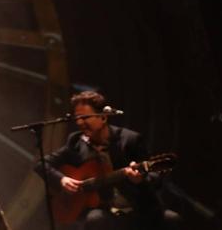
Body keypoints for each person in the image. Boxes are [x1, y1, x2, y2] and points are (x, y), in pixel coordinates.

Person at [36, 90, 179, 228]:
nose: (79, 123)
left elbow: (155, 178)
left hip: (137, 209)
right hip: (105, 211)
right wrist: (62, 180)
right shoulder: (76, 142)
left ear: (103, 117)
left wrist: (140, 180)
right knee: (95, 220)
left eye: (85, 117)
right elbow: (41, 164)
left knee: (171, 220)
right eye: (77, 118)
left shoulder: (129, 140)